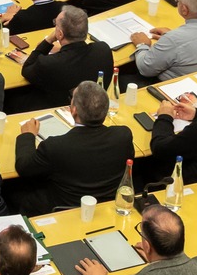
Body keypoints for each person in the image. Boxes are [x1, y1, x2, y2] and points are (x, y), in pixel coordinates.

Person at [10, 79, 133, 212]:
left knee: (14, 191)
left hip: (63, 209)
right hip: (106, 206)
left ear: (73, 110)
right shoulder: (123, 136)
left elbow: (24, 167)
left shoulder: (55, 146)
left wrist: (27, 136)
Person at [14, 6, 114, 107]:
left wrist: (49, 40)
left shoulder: (49, 63)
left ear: (60, 34)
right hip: (96, 106)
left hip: (57, 107)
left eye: (55, 24)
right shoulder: (103, 49)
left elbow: (27, 69)